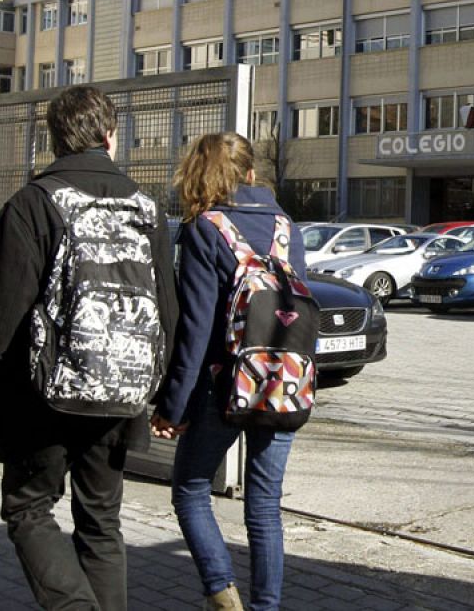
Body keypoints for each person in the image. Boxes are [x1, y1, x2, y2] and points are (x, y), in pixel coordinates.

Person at [0, 85, 180, 611]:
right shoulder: (147, 208)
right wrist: (158, 387)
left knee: (28, 508)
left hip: (44, 395)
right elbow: (168, 310)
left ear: (55, 139)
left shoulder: (34, 203)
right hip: (122, 389)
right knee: (102, 522)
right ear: (112, 135)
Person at [151, 133, 309, 611]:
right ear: (251, 174)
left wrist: (173, 407)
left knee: (191, 490)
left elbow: (196, 330)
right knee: (264, 507)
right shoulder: (286, 226)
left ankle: (222, 595)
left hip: (222, 388)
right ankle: (265, 607)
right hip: (284, 383)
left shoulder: (205, 228)